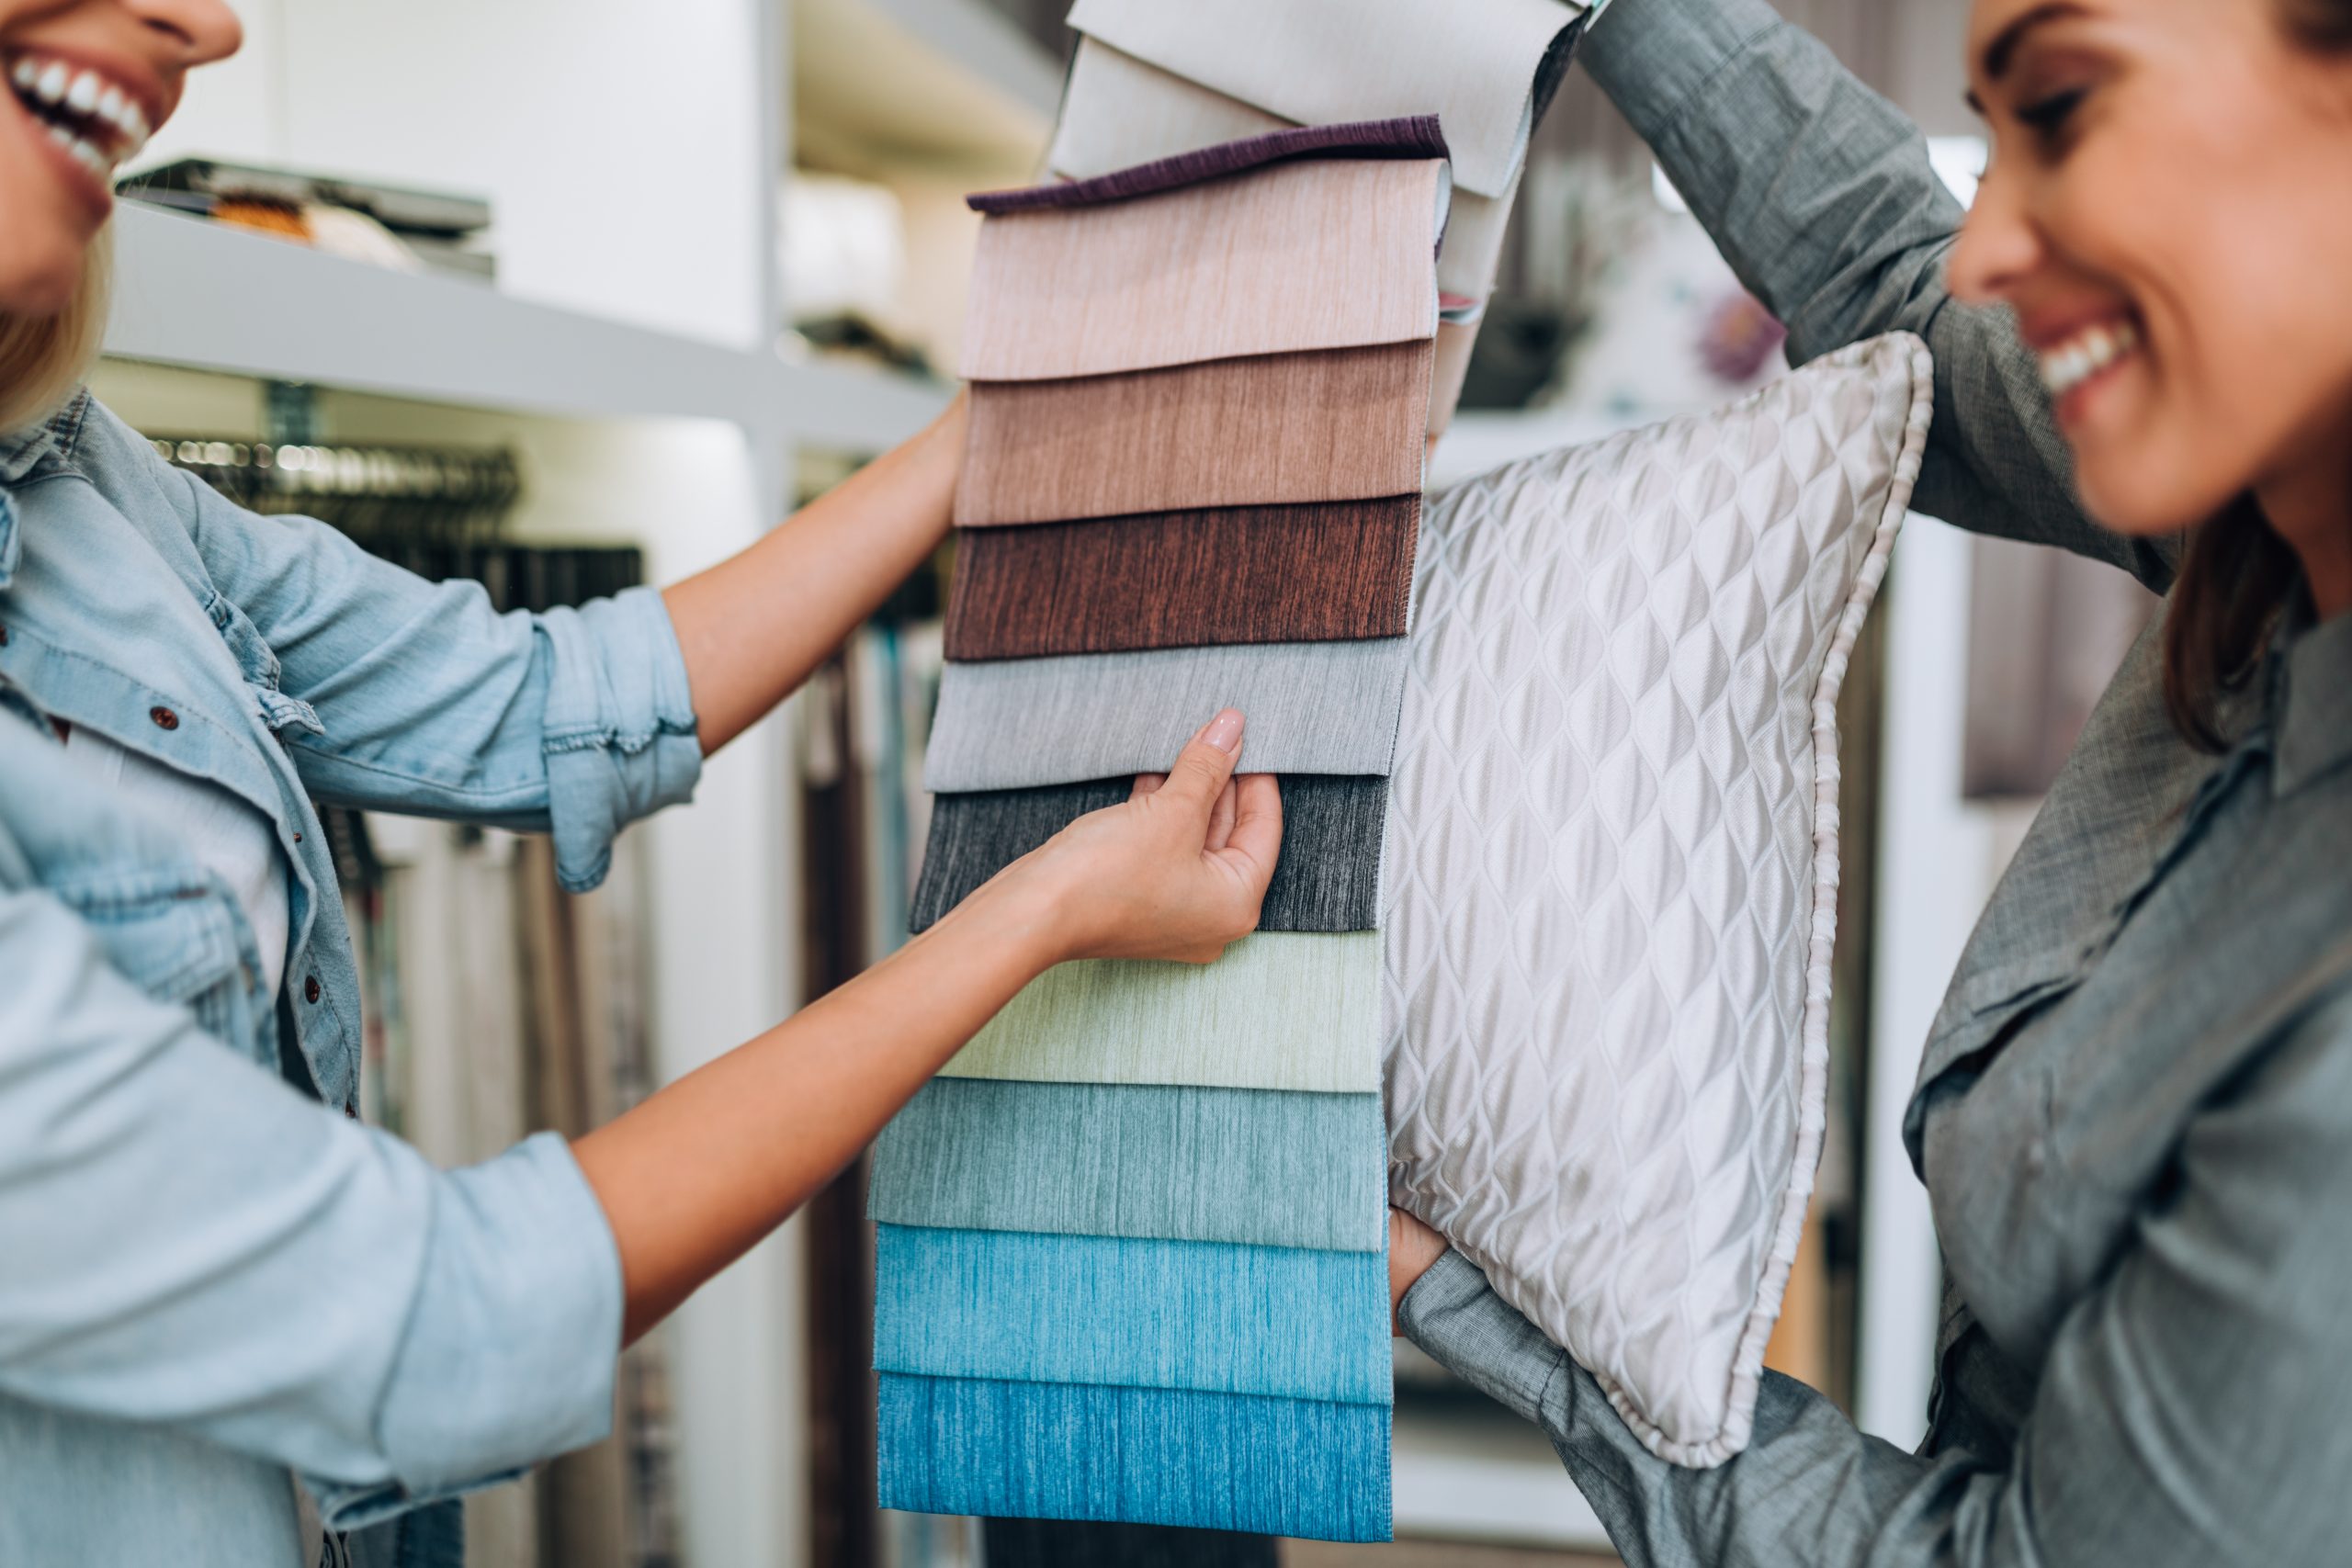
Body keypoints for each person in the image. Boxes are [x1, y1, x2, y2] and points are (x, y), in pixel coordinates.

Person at [0, 3, 1283, 1563]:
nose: (207, 22)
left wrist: (1001, 422)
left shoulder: (67, 478)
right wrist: (1041, 912)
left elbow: (547, 699)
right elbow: (435, 1326)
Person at [1387, 0, 2352, 1561]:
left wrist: (1447, 1287)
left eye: (2063, 102)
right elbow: (1913, 290)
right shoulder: (2281, 512)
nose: (1991, 248)